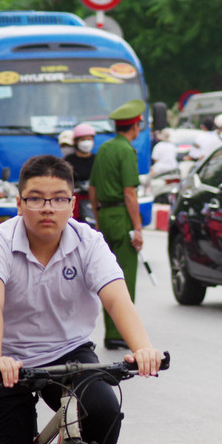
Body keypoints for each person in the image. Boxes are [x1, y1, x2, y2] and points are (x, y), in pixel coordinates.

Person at [0, 154, 164, 444]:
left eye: (58, 199)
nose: (48, 207)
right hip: (3, 359)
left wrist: (143, 349)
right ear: (19, 203)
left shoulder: (89, 242)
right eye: (36, 199)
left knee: (103, 409)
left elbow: (116, 299)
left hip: (66, 352)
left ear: (72, 204)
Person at [89, 99, 145, 351]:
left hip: (105, 216)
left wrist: (99, 220)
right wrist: (138, 228)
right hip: (122, 218)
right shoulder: (126, 151)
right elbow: (129, 193)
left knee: (106, 277)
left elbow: (91, 189)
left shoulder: (103, 149)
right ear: (134, 126)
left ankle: (111, 331)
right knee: (125, 278)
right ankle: (120, 332)